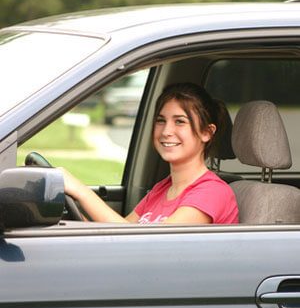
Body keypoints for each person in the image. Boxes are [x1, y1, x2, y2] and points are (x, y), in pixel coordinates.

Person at [61, 82, 239, 224]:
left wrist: (79, 190)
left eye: (180, 122)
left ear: (206, 132)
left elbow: (146, 245)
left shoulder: (213, 193)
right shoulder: (161, 189)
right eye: (161, 121)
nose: (166, 131)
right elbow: (123, 229)